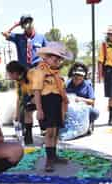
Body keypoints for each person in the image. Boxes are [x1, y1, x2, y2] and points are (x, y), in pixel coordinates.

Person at [32, 42, 72, 172]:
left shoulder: (57, 73)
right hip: (46, 102)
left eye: (59, 58)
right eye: (53, 57)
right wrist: (39, 110)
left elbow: (61, 89)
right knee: (49, 132)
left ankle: (54, 156)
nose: (57, 60)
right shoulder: (40, 71)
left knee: (55, 131)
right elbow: (37, 91)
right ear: (46, 58)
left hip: (57, 102)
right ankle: (49, 159)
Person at [6, 60, 36, 145]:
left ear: (15, 72)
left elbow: (38, 90)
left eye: (9, 73)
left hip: (42, 96)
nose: (8, 76)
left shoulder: (30, 74)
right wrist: (17, 113)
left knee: (28, 106)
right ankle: (28, 135)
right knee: (26, 109)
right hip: (31, 99)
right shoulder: (18, 82)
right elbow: (19, 98)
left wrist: (34, 99)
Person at [66, 62, 99, 133]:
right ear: (72, 75)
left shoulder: (87, 84)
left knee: (94, 112)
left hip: (83, 110)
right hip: (70, 110)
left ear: (83, 76)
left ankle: (87, 126)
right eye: (75, 76)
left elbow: (92, 101)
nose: (77, 78)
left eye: (80, 76)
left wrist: (81, 99)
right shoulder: (67, 84)